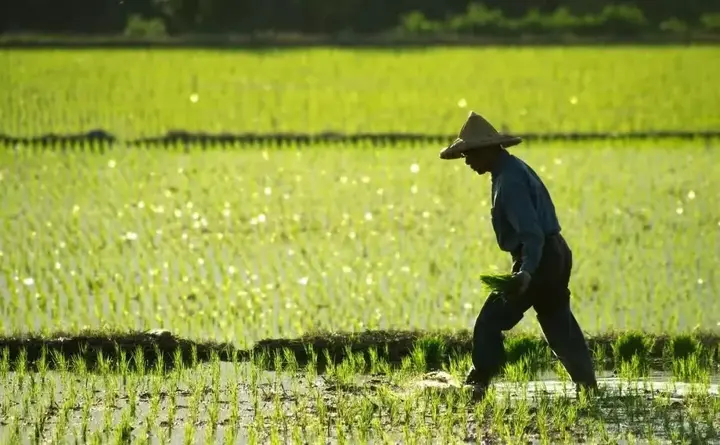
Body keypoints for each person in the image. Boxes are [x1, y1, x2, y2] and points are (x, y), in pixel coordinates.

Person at [439, 111, 598, 399]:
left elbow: (532, 233)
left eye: (469, 154)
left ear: (486, 150)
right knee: (557, 321)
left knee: (489, 321)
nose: (467, 161)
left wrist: (526, 271)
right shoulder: (510, 169)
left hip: (538, 258)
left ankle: (479, 383)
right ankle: (587, 386)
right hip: (556, 253)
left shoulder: (509, 183)